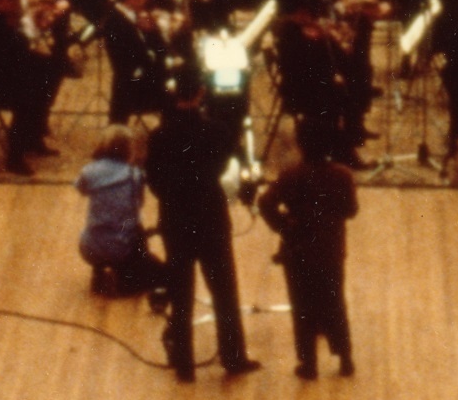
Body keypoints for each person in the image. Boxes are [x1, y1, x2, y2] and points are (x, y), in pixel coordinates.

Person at [147, 92, 256, 378]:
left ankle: (184, 365)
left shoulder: (159, 135)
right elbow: (222, 167)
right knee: (224, 291)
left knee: (181, 292)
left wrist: (173, 197)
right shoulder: (216, 130)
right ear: (200, 94)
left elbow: (154, 180)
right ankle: (233, 358)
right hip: (211, 217)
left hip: (175, 218)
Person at [255, 125, 361, 379]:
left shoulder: (291, 175)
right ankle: (345, 358)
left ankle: (309, 363)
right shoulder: (343, 175)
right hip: (331, 250)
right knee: (335, 304)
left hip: (298, 249)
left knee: (302, 307)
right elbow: (351, 211)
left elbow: (265, 202)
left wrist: (283, 226)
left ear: (302, 146)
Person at [74, 128, 158, 297]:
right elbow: (138, 204)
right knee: (137, 230)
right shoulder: (135, 175)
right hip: (121, 247)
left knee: (96, 226)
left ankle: (98, 271)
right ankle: (124, 275)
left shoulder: (89, 171)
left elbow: (80, 188)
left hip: (89, 246)